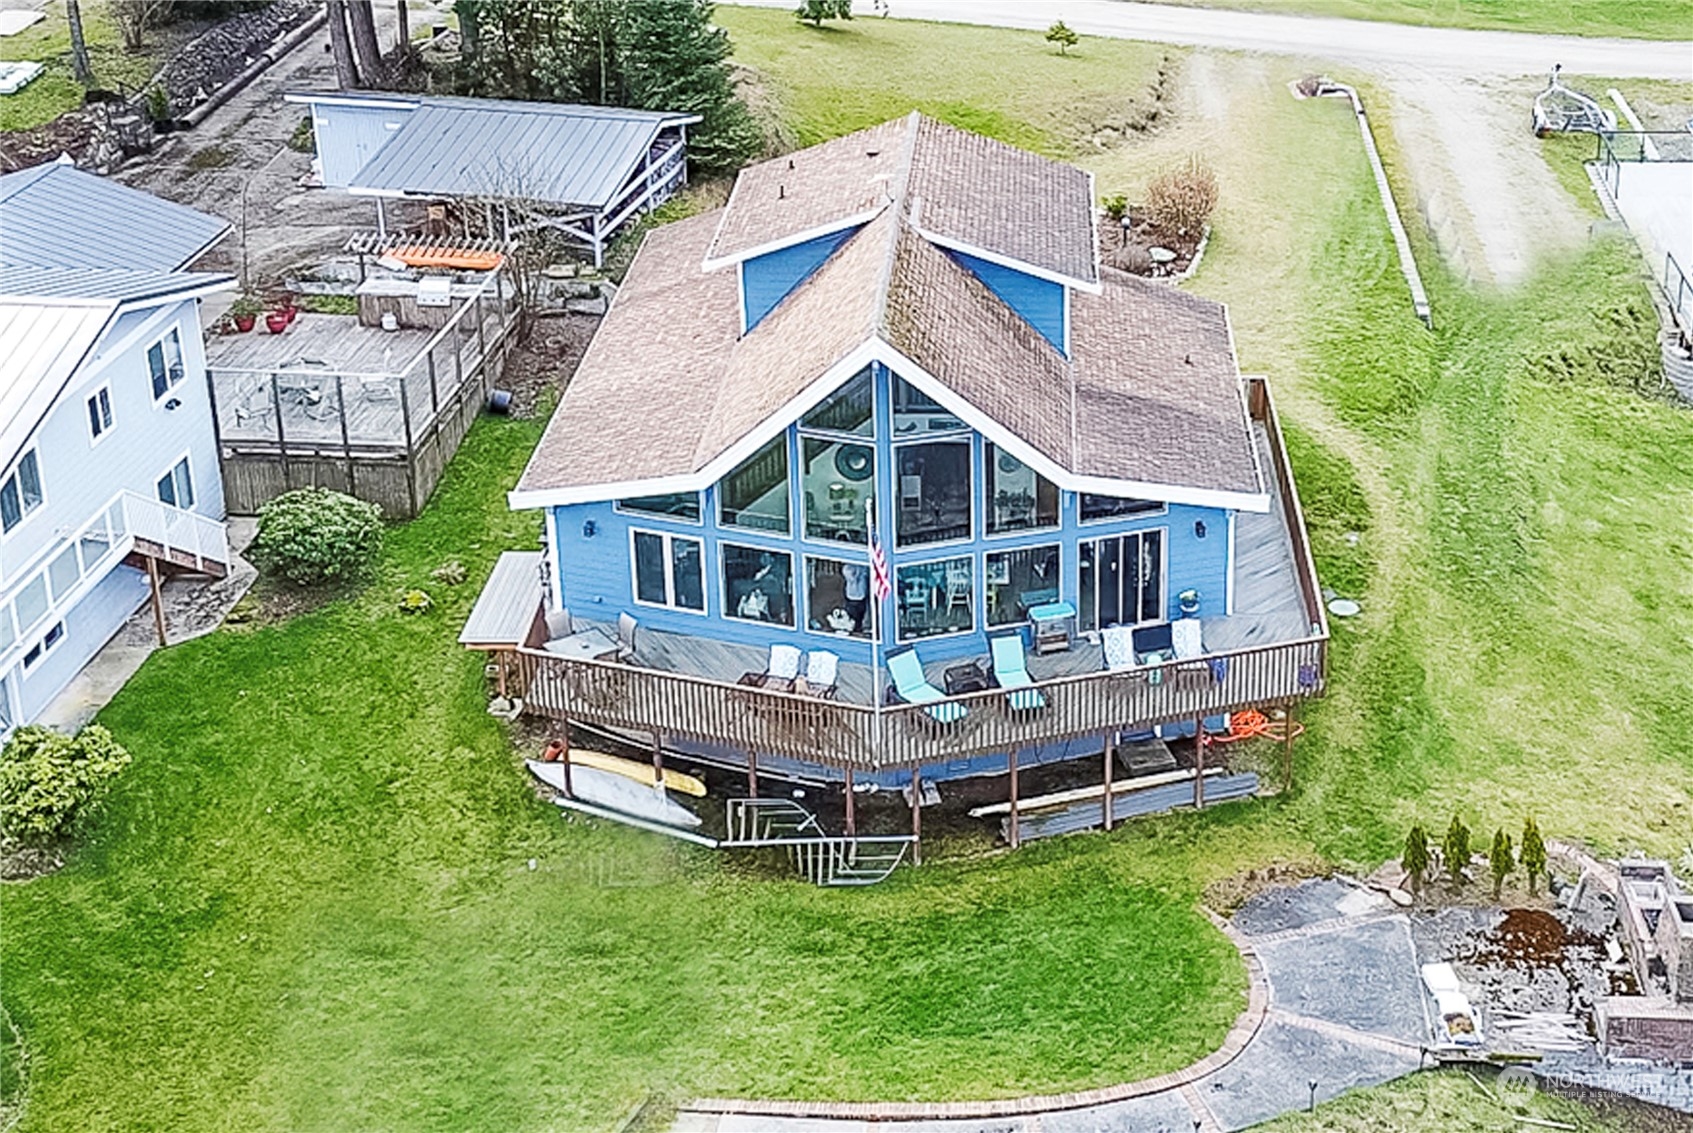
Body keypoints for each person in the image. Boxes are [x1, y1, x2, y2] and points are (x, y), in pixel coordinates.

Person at [842, 562, 868, 631]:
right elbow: (848, 575)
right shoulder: (848, 567)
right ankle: (853, 628)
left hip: (861, 596)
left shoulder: (863, 567)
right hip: (851, 597)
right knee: (851, 617)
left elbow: (866, 572)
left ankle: (858, 628)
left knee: (860, 616)